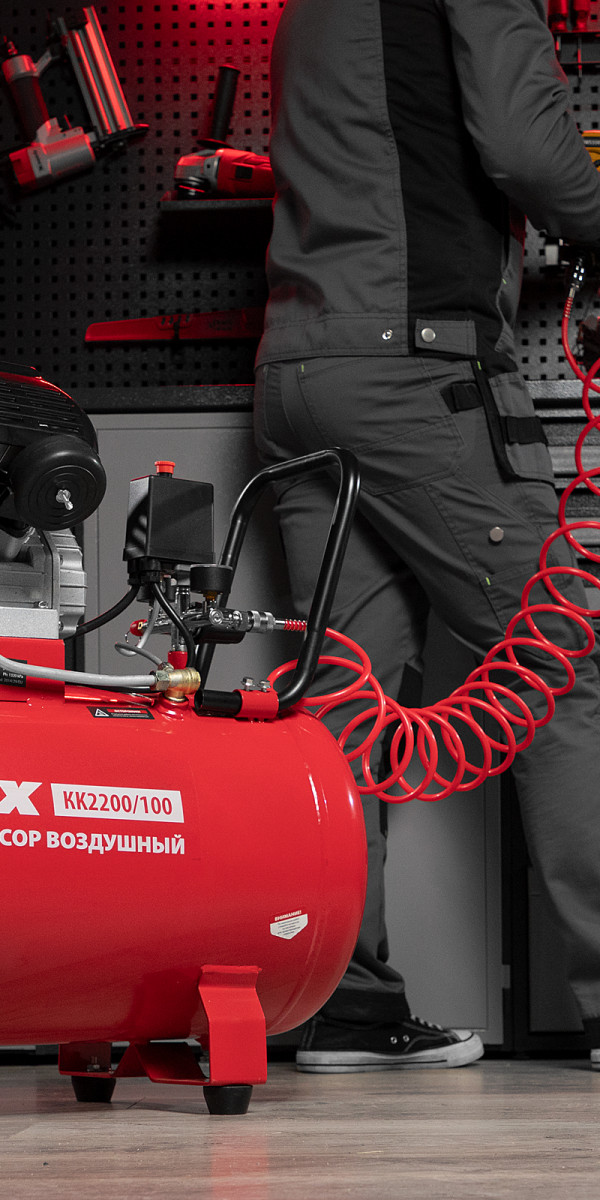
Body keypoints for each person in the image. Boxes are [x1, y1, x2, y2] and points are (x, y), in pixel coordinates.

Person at [255, 0, 600, 1072]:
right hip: (416, 370)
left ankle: (340, 1002)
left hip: (297, 373)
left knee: (343, 700)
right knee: (558, 663)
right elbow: (528, 149)